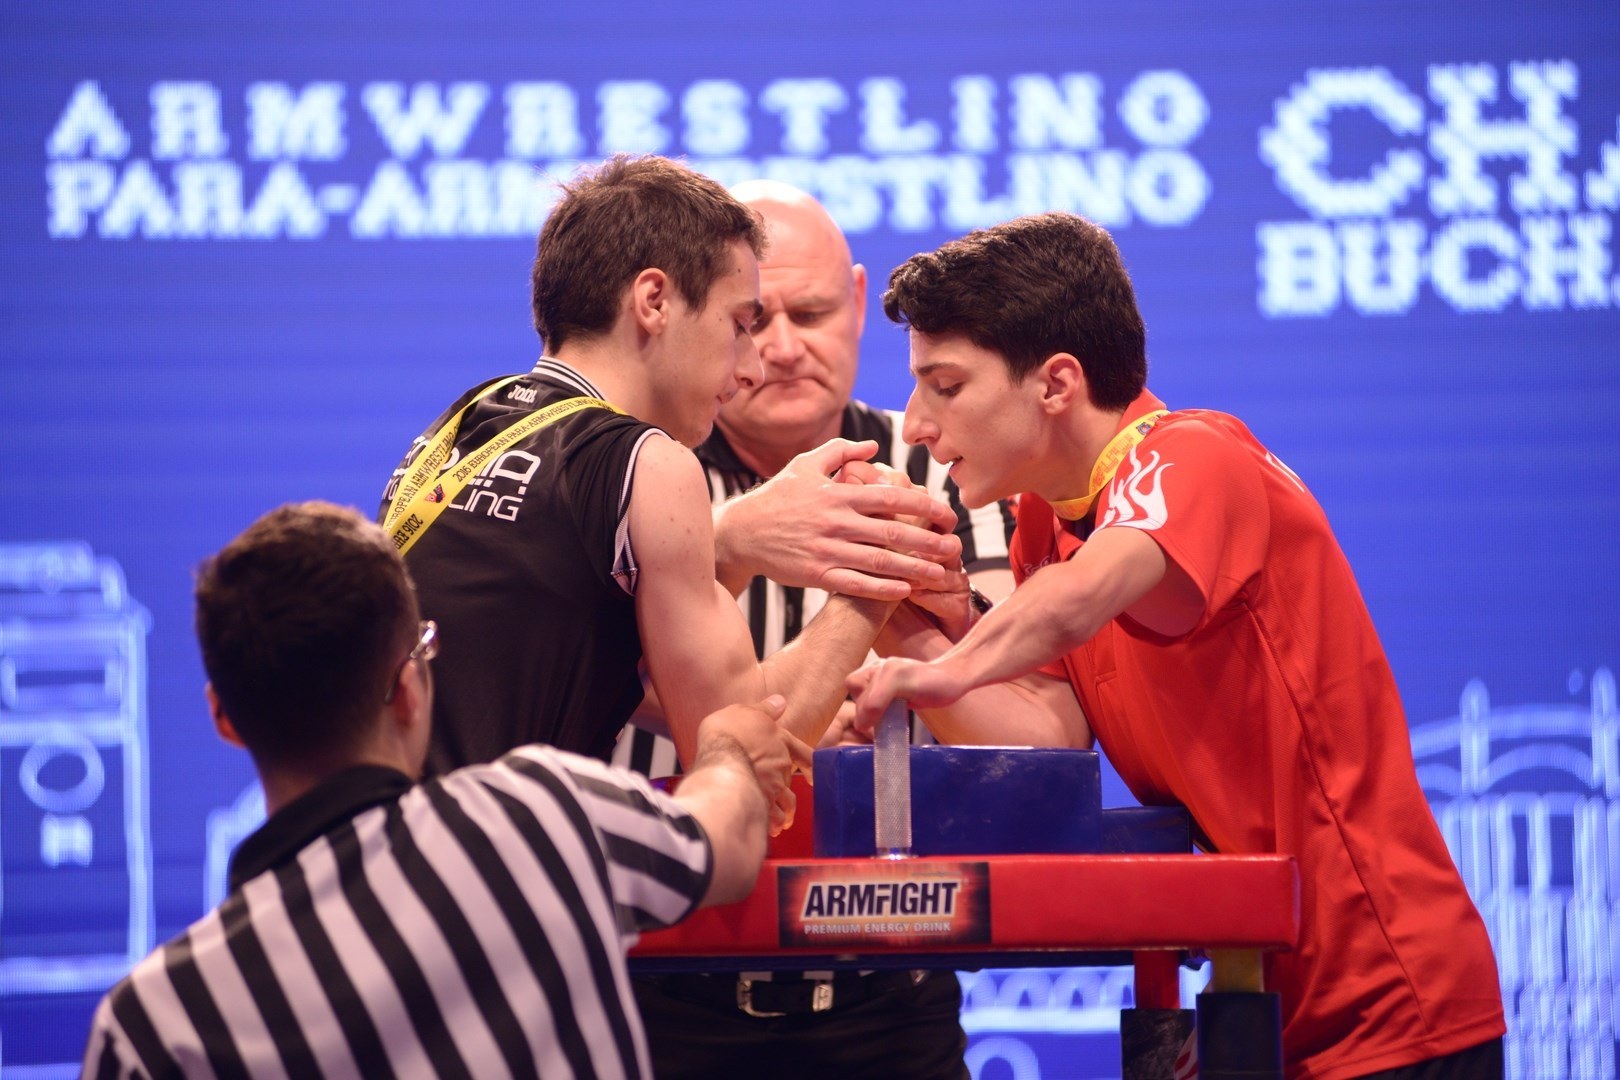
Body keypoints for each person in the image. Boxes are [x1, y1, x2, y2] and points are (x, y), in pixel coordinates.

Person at [850, 212, 1506, 1080]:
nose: (918, 423)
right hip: (1263, 1002)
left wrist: (939, 667)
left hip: (1394, 1007)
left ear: (1056, 383)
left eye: (945, 385)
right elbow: (1046, 736)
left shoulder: (1193, 454)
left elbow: (1081, 600)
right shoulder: (1045, 526)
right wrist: (908, 621)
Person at [80, 501, 801, 1078]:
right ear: (408, 689)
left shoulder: (151, 1025)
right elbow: (726, 843)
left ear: (224, 719)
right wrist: (729, 749)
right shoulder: (534, 815)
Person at [376, 156, 961, 787]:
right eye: (741, 324)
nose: (753, 368)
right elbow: (740, 760)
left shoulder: (460, 423)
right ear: (654, 301)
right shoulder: (650, 464)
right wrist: (878, 571)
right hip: (476, 865)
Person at [615, 181, 1012, 1078]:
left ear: (863, 301)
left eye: (816, 311)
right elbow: (704, 719)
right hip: (667, 981)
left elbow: (1005, 702)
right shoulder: (636, 474)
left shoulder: (951, 464)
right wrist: (861, 618)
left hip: (893, 992)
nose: (786, 349)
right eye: (758, 320)